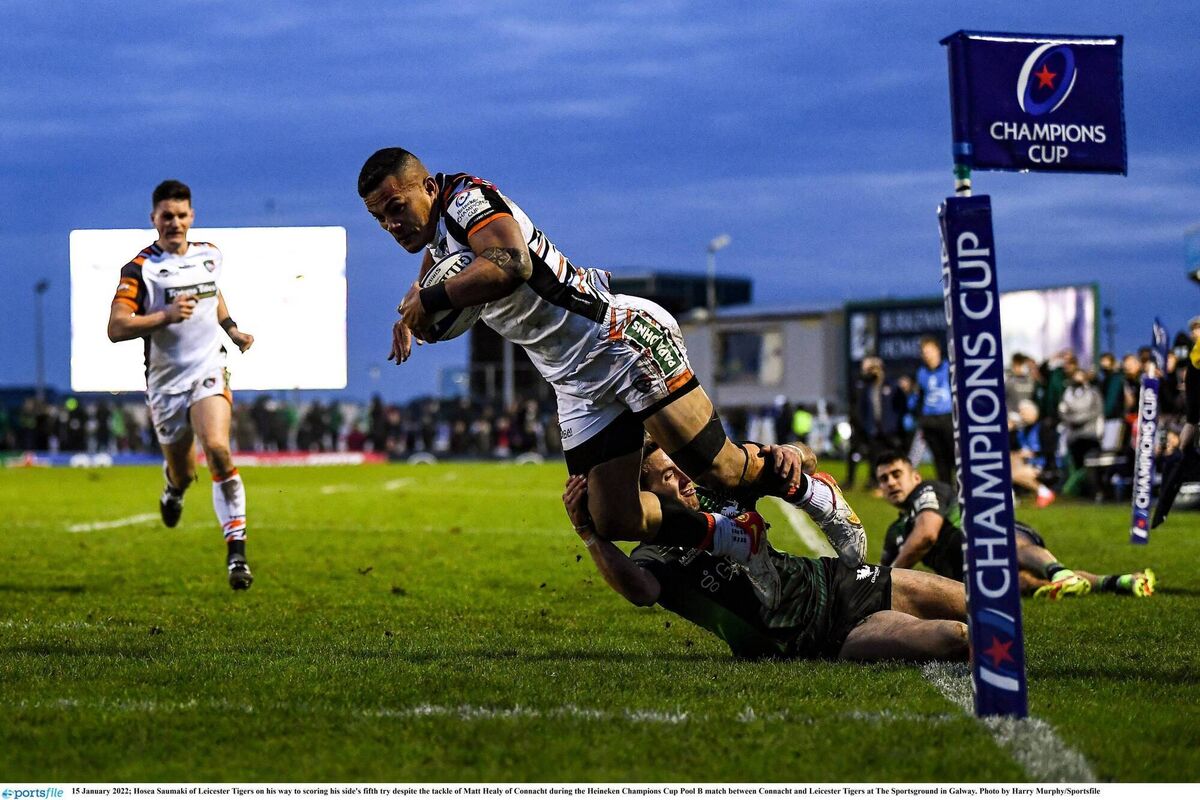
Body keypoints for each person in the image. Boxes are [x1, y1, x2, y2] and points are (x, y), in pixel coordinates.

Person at [357, 148, 862, 605]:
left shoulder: (467, 199)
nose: (390, 224)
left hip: (616, 341)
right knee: (613, 516)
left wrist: (434, 299)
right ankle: (737, 538)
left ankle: (811, 487)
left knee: (720, 473)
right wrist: (410, 314)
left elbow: (511, 262)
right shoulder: (439, 233)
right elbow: (432, 275)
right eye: (379, 219)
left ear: (426, 186)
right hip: (573, 381)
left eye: (395, 208)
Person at [561, 448, 968, 662]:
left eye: (679, 467)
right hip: (815, 638)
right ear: (644, 494)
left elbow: (805, 457)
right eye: (669, 476)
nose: (684, 478)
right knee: (957, 638)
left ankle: (820, 500)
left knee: (975, 602)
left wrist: (790, 452)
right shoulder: (654, 553)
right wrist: (589, 534)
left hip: (836, 580)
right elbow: (641, 591)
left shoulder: (713, 489)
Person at [106, 179, 256, 590]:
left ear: (192, 216)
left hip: (208, 368)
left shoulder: (210, 255)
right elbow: (116, 327)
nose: (174, 222)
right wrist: (164, 316)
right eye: (166, 216)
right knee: (184, 472)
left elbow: (213, 293)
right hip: (166, 382)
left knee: (218, 449)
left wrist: (232, 329)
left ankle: (236, 554)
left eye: (181, 215)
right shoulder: (140, 269)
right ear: (154, 219)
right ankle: (173, 489)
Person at [874, 452, 1155, 599]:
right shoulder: (894, 533)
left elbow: (926, 535)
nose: (891, 483)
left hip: (998, 537)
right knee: (1026, 584)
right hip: (977, 577)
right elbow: (880, 575)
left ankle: (1059, 572)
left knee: (1005, 545)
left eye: (897, 474)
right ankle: (1120, 581)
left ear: (915, 477)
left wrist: (888, 578)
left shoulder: (929, 490)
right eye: (884, 479)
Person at [1153, 314, 1200, 528]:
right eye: (1194, 330)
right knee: (1175, 462)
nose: (1195, 334)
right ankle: (1162, 510)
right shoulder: (1193, 363)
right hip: (1190, 425)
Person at [914, 336, 956, 485]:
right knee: (939, 459)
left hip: (947, 417)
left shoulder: (949, 368)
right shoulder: (921, 373)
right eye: (924, 352)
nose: (927, 355)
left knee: (954, 456)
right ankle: (947, 491)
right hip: (929, 420)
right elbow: (919, 396)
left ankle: (962, 490)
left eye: (930, 351)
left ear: (938, 351)